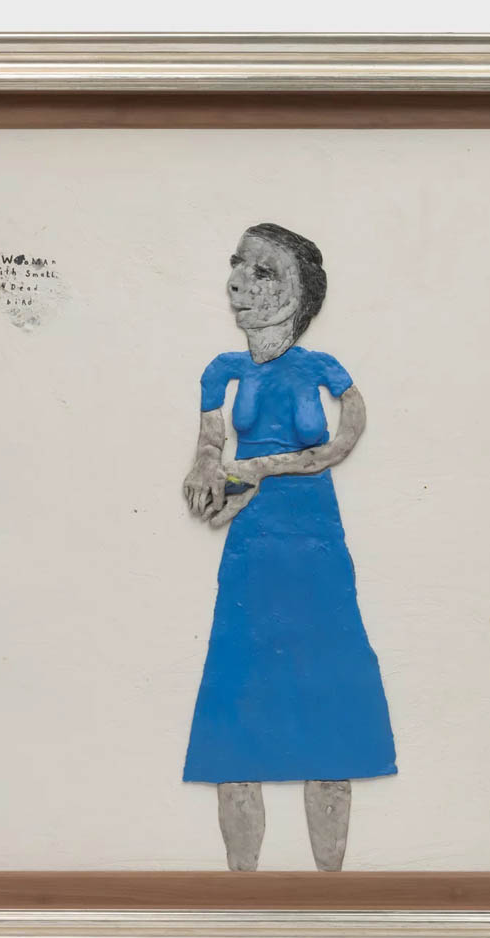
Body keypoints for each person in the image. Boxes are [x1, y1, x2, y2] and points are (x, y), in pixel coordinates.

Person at [182, 223, 397, 872]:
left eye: (263, 272)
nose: (237, 283)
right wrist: (209, 473)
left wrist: (258, 469)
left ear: (300, 295)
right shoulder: (220, 371)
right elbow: (208, 448)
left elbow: (335, 447)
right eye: (237, 265)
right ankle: (242, 897)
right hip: (251, 549)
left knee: (330, 709)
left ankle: (329, 893)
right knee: (237, 708)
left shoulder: (324, 369)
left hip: (315, 545)